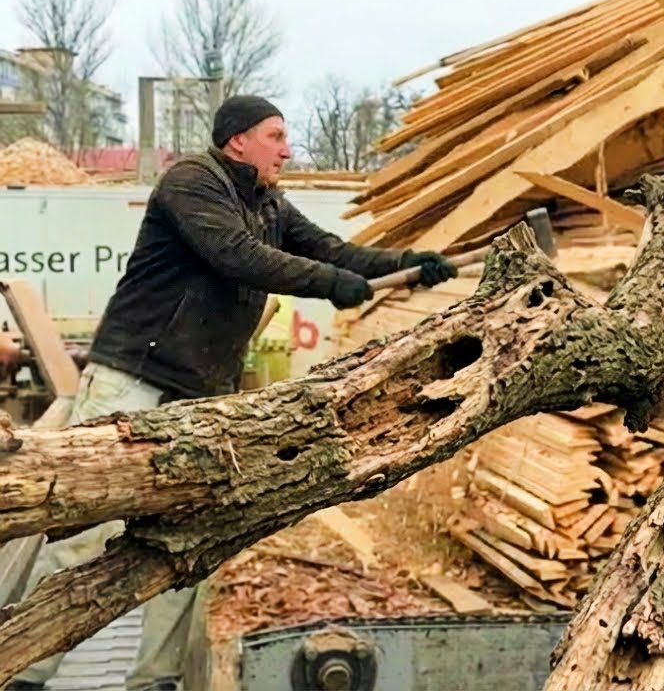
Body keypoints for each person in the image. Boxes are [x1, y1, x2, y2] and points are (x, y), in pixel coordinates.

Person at [6, 95, 457, 691]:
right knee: (80, 532)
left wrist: (404, 262)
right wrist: (330, 285)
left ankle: (156, 679)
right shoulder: (191, 182)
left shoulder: (267, 201)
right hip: (134, 376)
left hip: (198, 391)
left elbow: (329, 250)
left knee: (186, 538)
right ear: (237, 140)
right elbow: (237, 257)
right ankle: (24, 673)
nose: (288, 149)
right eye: (276, 136)